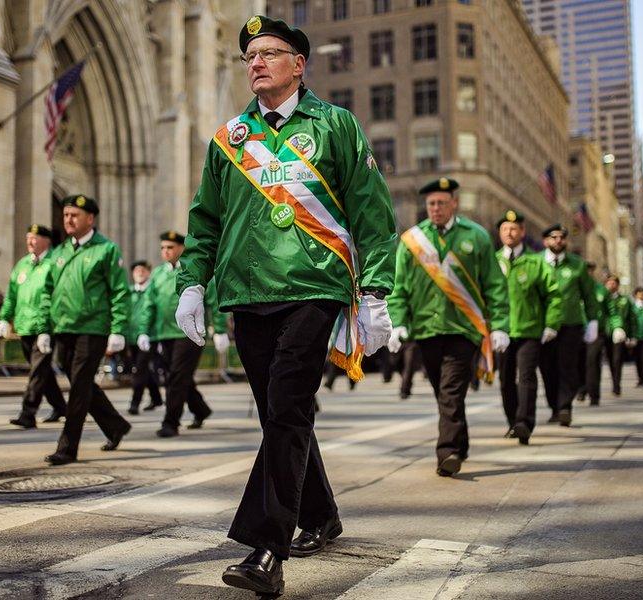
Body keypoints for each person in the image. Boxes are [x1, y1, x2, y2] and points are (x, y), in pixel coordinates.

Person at [175, 15, 397, 596]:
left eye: (269, 53)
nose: (256, 62)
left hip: (313, 288)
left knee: (287, 407)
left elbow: (372, 213)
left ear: (298, 64)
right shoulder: (230, 141)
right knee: (282, 416)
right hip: (248, 295)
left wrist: (374, 292)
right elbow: (205, 221)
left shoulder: (335, 125)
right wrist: (191, 283)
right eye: (249, 55)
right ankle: (321, 513)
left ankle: (266, 549)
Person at [389, 177, 509, 472]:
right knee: (443, 393)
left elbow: (494, 284)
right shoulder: (412, 241)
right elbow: (399, 286)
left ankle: (448, 453)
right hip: (426, 330)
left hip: (463, 329)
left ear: (454, 203)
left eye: (442, 202)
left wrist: (501, 324)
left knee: (451, 390)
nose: (436, 208)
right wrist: (397, 322)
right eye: (431, 203)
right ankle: (460, 442)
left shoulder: (477, 236)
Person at [40, 194, 132, 466]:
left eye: (74, 215)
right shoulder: (60, 252)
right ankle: (115, 425)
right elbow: (48, 291)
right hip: (64, 326)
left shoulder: (106, 250)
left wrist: (118, 329)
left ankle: (67, 448)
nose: (68, 219)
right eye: (66, 215)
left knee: (79, 386)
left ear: (90, 219)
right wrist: (45, 328)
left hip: (93, 328)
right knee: (81, 382)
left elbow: (119, 291)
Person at [137, 231, 227, 437]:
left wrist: (219, 330)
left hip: (189, 334)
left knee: (176, 377)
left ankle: (171, 422)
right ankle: (200, 409)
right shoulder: (158, 275)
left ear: (181, 249)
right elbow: (149, 305)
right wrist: (143, 331)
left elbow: (213, 300)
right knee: (178, 376)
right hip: (164, 333)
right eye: (162, 248)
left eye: (170, 247)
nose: (165, 252)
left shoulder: (194, 270)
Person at [494, 210, 561, 445]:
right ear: (500, 233)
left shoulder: (536, 262)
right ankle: (512, 421)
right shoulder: (493, 262)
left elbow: (554, 295)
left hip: (530, 331)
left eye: (514, 228)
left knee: (526, 377)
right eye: (505, 229)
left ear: (522, 231)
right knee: (504, 380)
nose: (509, 233)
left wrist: (551, 323)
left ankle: (524, 423)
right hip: (501, 332)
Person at [0, 224, 68, 428]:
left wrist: (47, 329)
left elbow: (57, 297)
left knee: (37, 371)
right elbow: (11, 294)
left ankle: (28, 413)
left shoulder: (54, 263)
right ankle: (61, 407)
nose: (30, 241)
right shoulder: (22, 265)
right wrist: (4, 317)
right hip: (25, 325)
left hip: (45, 327)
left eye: (34, 238)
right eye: (28, 237)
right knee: (42, 371)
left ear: (46, 241)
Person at [537, 225, 599, 427]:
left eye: (562, 237)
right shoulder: (535, 262)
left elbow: (589, 294)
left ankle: (565, 408)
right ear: (545, 240)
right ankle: (554, 407)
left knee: (567, 366)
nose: (558, 241)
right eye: (553, 237)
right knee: (547, 368)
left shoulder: (577, 265)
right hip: (543, 325)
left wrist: (593, 321)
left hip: (570, 324)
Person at [125, 259, 163, 414]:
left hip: (150, 337)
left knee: (139, 370)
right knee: (144, 370)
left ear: (148, 272)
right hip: (132, 338)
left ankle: (135, 403)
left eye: (143, 270)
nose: (140, 273)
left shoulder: (153, 291)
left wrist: (146, 333)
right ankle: (156, 398)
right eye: (136, 270)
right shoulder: (129, 292)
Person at [581, 264, 609, 405]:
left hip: (597, 331)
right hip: (577, 329)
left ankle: (594, 395)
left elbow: (611, 311)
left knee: (592, 363)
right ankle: (581, 389)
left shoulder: (601, 290)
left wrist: (616, 327)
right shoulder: (574, 289)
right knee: (577, 362)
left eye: (589, 271)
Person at [603, 275, 632, 396]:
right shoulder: (601, 298)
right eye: (609, 283)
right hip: (604, 332)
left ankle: (616, 385)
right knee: (610, 359)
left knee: (617, 359)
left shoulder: (624, 300)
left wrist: (630, 335)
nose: (611, 285)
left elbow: (630, 318)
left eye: (614, 283)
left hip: (619, 333)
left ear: (618, 285)